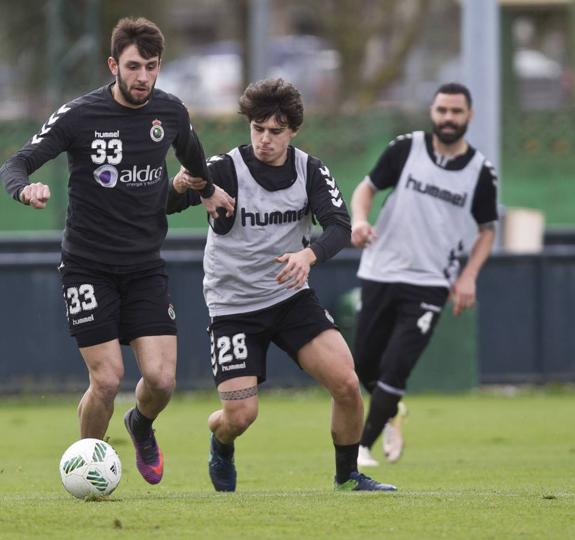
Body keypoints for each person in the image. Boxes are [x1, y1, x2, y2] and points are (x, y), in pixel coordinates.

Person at [0, 17, 234, 485]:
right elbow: (17, 162)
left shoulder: (170, 113)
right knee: (106, 380)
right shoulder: (79, 115)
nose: (143, 76)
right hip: (88, 267)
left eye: (151, 66)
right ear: (113, 65)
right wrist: (24, 190)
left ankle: (140, 424)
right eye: (133, 66)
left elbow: (192, 156)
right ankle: (89, 467)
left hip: (145, 268)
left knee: (162, 382)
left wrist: (205, 190)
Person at [168, 78, 396, 492]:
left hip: (289, 297)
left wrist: (308, 255)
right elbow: (164, 205)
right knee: (240, 417)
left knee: (346, 383)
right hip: (233, 305)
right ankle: (220, 441)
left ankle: (347, 477)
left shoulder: (310, 170)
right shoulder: (224, 169)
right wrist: (181, 185)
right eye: (257, 129)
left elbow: (340, 227)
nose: (264, 140)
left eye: (275, 131)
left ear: (292, 131)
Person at [350, 82, 498, 467]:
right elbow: (365, 189)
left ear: (470, 116)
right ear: (432, 112)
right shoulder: (406, 148)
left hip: (431, 281)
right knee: (363, 363)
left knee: (398, 363)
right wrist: (360, 221)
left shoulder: (481, 172)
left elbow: (487, 230)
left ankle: (363, 448)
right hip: (381, 269)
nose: (448, 118)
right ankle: (393, 411)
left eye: (456, 112)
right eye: (442, 111)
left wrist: (468, 276)